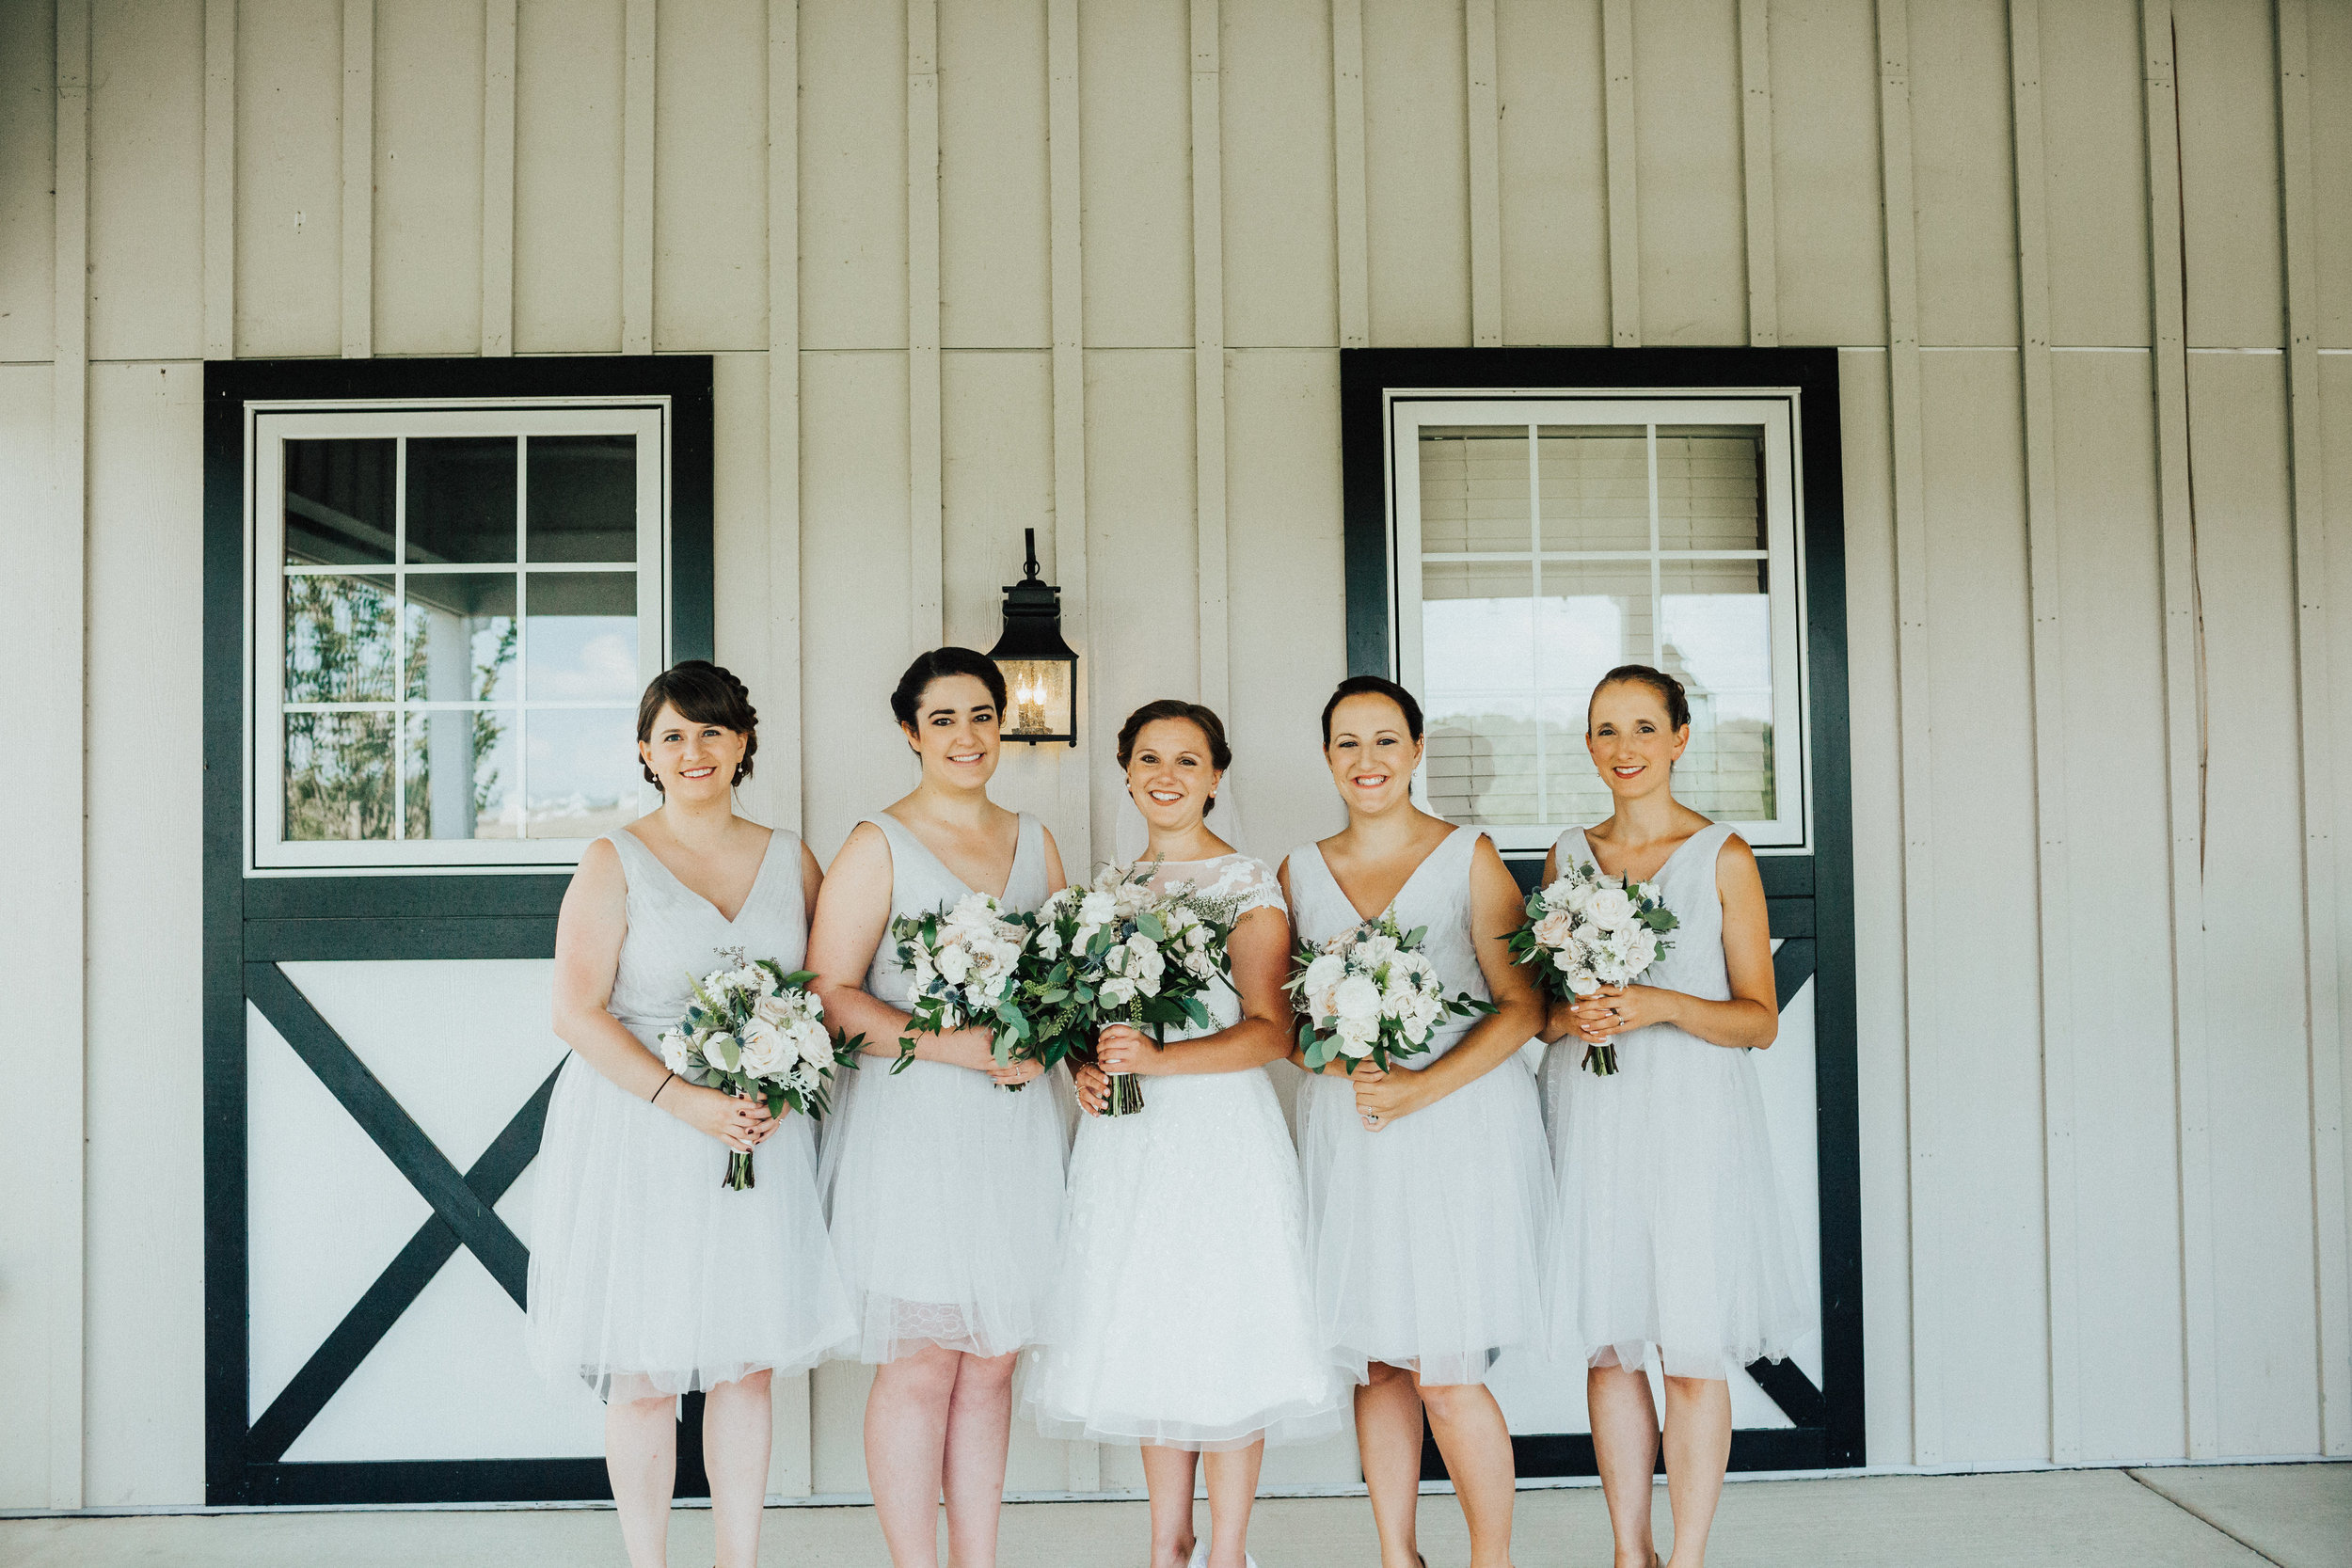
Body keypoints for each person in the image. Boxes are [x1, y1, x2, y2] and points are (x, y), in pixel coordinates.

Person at [526, 660, 853, 1568]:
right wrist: (689, 1102)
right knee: (643, 1368)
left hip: (756, 1131)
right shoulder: (614, 858)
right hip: (644, 1132)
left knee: (744, 1365)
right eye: (673, 734)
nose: (694, 749)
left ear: (743, 743)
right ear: (646, 753)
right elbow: (576, 1011)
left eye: (712, 731)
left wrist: (786, 1072)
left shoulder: (792, 857)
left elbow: (826, 992)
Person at [1030, 700, 1346, 1568]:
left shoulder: (1245, 887)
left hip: (1217, 1141)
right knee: (1147, 1330)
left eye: (1187, 760)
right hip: (1127, 1145)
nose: (1166, 775)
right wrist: (1082, 1070)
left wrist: (1161, 1062)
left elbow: (1270, 1032)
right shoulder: (1101, 896)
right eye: (1149, 758)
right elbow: (1083, 1025)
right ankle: (1168, 1545)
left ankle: (1230, 1550)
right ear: (1126, 772)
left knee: (1224, 1329)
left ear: (1215, 776)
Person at [806, 646, 1071, 1568]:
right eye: (945, 718)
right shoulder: (877, 840)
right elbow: (834, 991)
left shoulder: (1036, 840)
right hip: (914, 1129)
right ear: (911, 731)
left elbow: (1065, 986)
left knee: (994, 1354)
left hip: (1011, 1130)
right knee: (922, 1356)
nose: (966, 735)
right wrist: (954, 1044)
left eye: (982, 716)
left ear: (1004, 725)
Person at [1538, 664, 1807, 1568]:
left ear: (1680, 738)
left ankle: (1686, 1557)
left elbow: (1759, 1020)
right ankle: (1629, 1550)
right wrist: (1572, 1014)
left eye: (1644, 728)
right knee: (1612, 1349)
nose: (1625, 749)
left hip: (1693, 1123)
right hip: (1596, 1112)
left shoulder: (1723, 856)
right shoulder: (1568, 856)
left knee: (1692, 1349)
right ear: (1587, 744)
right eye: (1606, 730)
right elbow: (1540, 1011)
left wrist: (1659, 1004)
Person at [1282, 674, 1553, 1568]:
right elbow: (1285, 1025)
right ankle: (1398, 1555)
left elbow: (1522, 1007)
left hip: (1456, 1133)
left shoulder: (1466, 855)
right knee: (1381, 1361)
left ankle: (1492, 1557)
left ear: (1417, 750)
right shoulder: (1299, 870)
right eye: (1349, 743)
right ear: (1327, 757)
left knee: (1446, 1368)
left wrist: (1421, 1086)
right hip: (1355, 1133)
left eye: (1386, 740)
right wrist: (1337, 1060)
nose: (1369, 761)